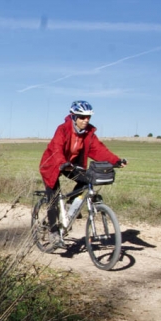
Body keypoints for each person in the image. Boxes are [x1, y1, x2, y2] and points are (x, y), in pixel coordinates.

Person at [39, 100, 127, 248]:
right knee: (53, 198)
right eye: (82, 117)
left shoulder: (88, 133)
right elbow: (56, 148)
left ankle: (69, 205)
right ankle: (53, 232)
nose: (85, 120)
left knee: (88, 180)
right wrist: (62, 163)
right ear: (73, 117)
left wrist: (115, 161)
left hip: (71, 165)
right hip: (53, 164)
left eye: (88, 117)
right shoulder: (63, 129)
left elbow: (99, 150)